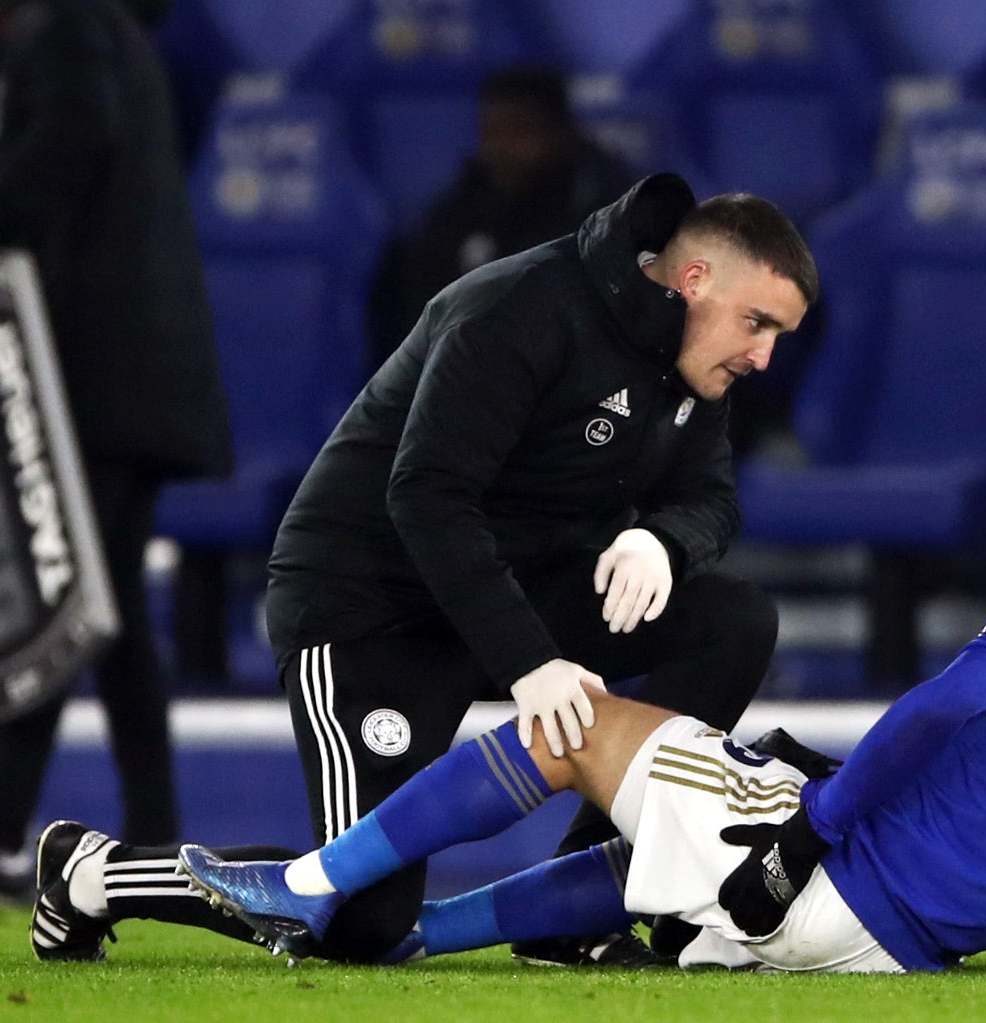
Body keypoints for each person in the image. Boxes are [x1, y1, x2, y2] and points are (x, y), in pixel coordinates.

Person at [28, 172, 816, 966]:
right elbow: (428, 497)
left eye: (779, 334)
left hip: (515, 593)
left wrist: (665, 542)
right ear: (692, 279)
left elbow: (711, 497)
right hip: (374, 609)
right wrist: (530, 661)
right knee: (360, 924)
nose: (763, 355)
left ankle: (568, 908)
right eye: (758, 323)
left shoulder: (691, 361)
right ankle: (92, 873)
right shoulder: (520, 308)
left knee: (732, 621)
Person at [173, 511, 986, 975]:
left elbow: (941, 709)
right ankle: (415, 934)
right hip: (892, 961)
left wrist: (818, 824)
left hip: (822, 880)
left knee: (572, 727)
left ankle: (310, 887)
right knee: (659, 838)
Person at [0, 0, 232, 897]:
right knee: (113, 610)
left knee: (68, 597)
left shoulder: (69, 29)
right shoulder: (110, 30)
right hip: (131, 373)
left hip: (96, 376)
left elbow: (63, 154)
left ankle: (12, 822)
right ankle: (154, 834)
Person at [369, 65, 637, 368]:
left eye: (520, 132)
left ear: (561, 133)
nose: (502, 149)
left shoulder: (611, 216)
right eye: (491, 133)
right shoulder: (455, 216)